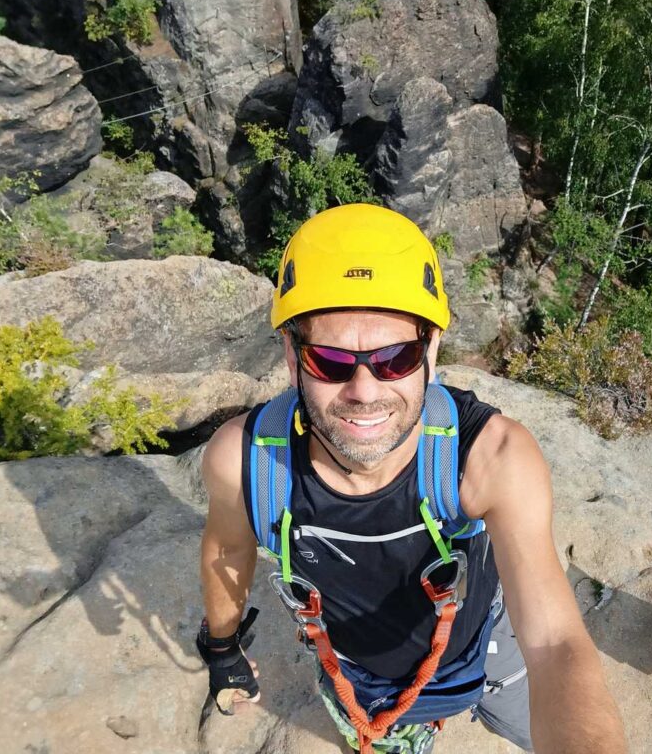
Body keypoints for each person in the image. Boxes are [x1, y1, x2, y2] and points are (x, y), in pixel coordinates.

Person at [197, 204, 627, 753]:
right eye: (330, 360)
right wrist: (222, 648)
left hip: (485, 643)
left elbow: (554, 644)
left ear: (432, 348)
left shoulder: (489, 458)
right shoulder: (245, 462)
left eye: (396, 358)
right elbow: (227, 549)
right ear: (291, 355)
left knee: (524, 721)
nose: (364, 391)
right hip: (366, 683)